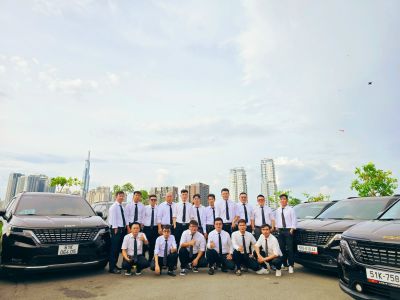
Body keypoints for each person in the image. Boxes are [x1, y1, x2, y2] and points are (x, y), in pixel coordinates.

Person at [275, 194, 297, 274]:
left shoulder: (291, 209)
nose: (282, 200)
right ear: (280, 201)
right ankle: (284, 264)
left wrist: (292, 229)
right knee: (281, 248)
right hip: (280, 231)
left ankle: (291, 265)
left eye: (284, 199)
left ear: (287, 200)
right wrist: (277, 227)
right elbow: (277, 219)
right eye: (281, 199)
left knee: (290, 249)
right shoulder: (278, 210)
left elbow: (294, 219)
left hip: (288, 230)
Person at [108, 191, 129, 274]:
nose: (121, 197)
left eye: (122, 196)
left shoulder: (122, 207)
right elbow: (113, 218)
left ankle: (115, 265)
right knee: (114, 249)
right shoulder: (113, 207)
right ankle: (111, 268)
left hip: (121, 229)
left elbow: (123, 218)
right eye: (120, 196)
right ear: (116, 196)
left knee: (118, 249)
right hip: (116, 230)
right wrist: (115, 228)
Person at [142, 194, 158, 262]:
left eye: (155, 200)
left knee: (153, 245)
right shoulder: (145, 208)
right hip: (146, 228)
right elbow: (142, 218)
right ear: (149, 200)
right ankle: (143, 260)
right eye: (152, 200)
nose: (153, 201)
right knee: (144, 244)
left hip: (155, 228)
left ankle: (150, 260)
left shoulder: (158, 208)